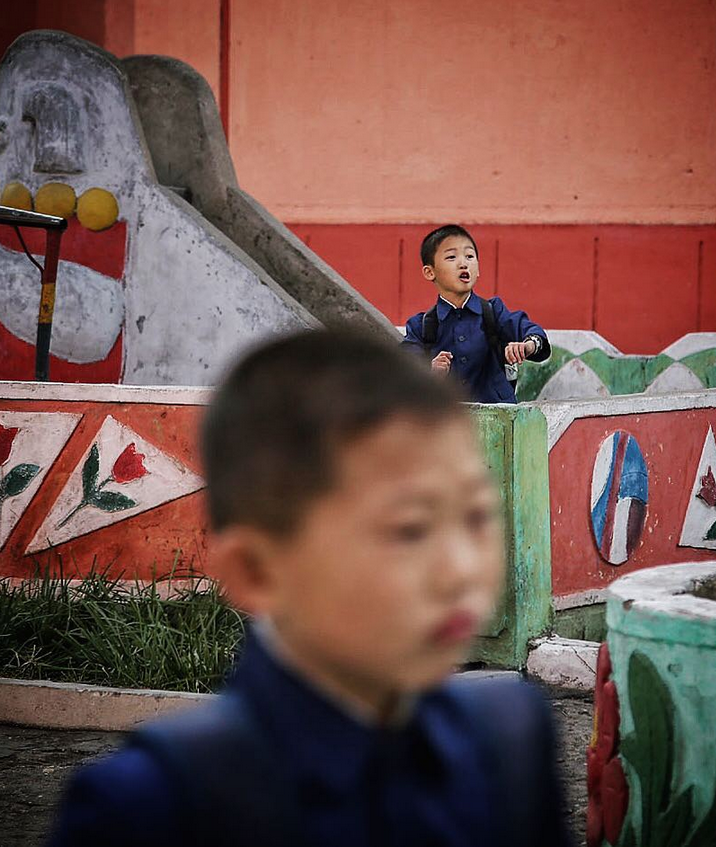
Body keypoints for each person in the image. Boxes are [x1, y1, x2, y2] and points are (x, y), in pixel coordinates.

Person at [47, 330, 571, 847]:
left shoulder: (511, 741)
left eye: (478, 516)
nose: (461, 570)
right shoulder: (152, 807)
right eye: (409, 529)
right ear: (256, 572)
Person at [401, 224, 551, 404]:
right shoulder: (420, 326)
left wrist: (527, 346)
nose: (463, 263)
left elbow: (533, 333)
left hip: (499, 420)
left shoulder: (493, 312)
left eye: (470, 256)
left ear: (478, 270)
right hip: (446, 423)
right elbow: (404, 371)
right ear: (429, 272)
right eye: (451, 257)